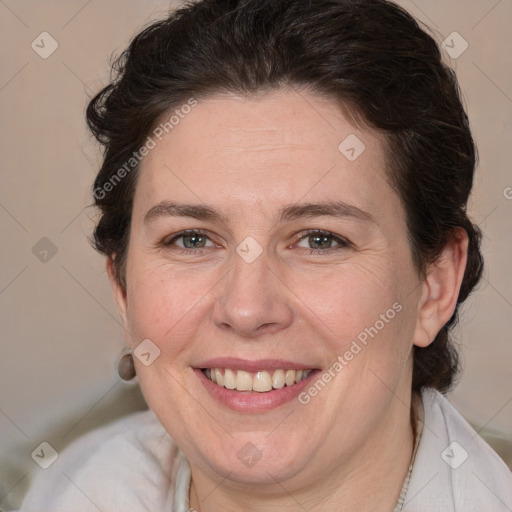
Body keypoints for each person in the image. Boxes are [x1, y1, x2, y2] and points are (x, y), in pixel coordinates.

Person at [13, 0, 512, 510]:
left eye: (320, 239)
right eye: (191, 239)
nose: (247, 309)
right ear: (122, 287)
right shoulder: (69, 489)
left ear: (435, 285)